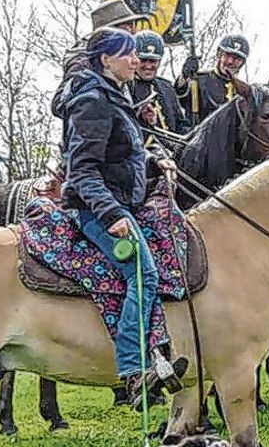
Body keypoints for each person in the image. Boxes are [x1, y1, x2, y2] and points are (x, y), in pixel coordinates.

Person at [58, 27, 187, 407]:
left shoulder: (113, 95)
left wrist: (151, 162)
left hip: (121, 201)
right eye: (128, 54)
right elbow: (81, 171)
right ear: (105, 60)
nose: (136, 60)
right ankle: (133, 371)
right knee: (144, 274)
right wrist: (112, 214)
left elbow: (119, 154)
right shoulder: (92, 100)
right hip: (97, 210)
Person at [176, 33, 250, 124]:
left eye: (236, 58)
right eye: (227, 55)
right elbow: (178, 98)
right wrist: (184, 76)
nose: (230, 62)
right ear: (218, 55)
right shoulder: (199, 80)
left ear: (242, 63)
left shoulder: (243, 93)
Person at [129, 31, 191, 135]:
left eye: (153, 61)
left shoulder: (166, 87)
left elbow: (180, 125)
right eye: (143, 60)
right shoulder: (125, 87)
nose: (148, 66)